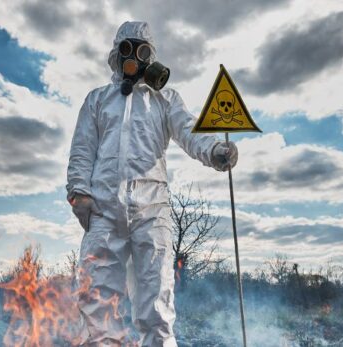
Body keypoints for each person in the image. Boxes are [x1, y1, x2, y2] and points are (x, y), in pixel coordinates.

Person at [66, 21, 238, 347]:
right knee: (98, 296)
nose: (134, 57)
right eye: (127, 49)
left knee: (157, 299)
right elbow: (82, 149)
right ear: (116, 55)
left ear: (152, 56)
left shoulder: (165, 99)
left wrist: (215, 150)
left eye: (142, 51)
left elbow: (189, 130)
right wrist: (79, 192)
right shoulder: (98, 99)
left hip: (152, 209)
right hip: (103, 208)